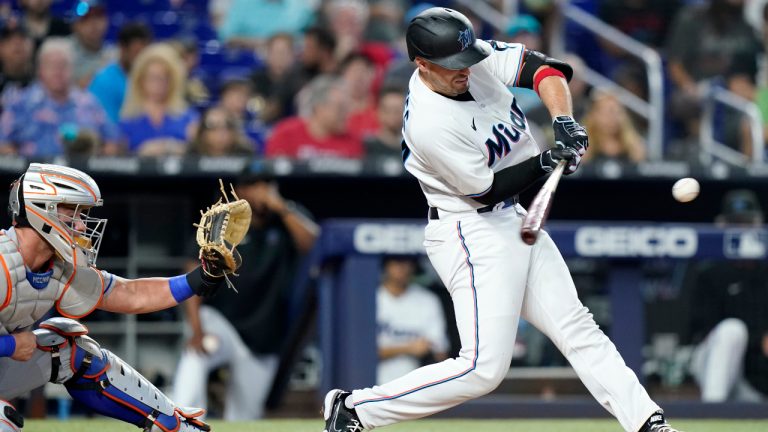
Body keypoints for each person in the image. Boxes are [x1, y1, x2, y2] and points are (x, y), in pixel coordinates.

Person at [322, 8, 680, 432]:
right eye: (452, 65)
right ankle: (355, 410)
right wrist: (548, 159)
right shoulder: (429, 123)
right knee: (482, 368)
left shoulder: (472, 60)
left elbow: (544, 71)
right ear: (422, 64)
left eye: (467, 59)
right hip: (468, 230)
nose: (465, 70)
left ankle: (646, 422)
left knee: (576, 326)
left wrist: (563, 121)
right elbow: (486, 189)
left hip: (510, 219)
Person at [0, 162, 233, 431]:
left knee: (69, 348)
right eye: (73, 212)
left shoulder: (57, 266)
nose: (81, 225)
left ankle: (173, 425)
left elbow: (129, 293)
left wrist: (199, 279)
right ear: (42, 209)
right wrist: (11, 346)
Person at [173, 170, 319, 420]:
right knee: (196, 356)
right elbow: (192, 276)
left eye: (266, 184)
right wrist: (196, 329)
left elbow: (315, 245)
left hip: (263, 338)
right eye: (253, 185)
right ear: (239, 192)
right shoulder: (220, 225)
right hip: (222, 323)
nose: (261, 191)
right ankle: (180, 419)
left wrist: (281, 207)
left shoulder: (284, 222)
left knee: (245, 417)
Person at [687, 189, 768, 402]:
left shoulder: (765, 272)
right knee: (733, 331)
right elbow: (702, 329)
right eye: (735, 224)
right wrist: (759, 338)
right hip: (715, 364)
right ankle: (711, 413)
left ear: (758, 225)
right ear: (722, 227)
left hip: (755, 377)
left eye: (747, 224)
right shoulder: (710, 272)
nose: (741, 230)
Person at [0, 37, 121, 156]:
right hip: (33, 173)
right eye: (52, 65)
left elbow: (113, 142)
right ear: (41, 70)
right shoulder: (20, 104)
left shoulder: (90, 103)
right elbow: (3, 143)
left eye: (63, 65)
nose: (58, 71)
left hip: (80, 173)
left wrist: (101, 156)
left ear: (72, 69)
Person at [376, 255, 448, 385]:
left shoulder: (427, 300)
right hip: (372, 385)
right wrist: (408, 348)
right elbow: (361, 353)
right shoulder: (371, 297)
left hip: (415, 387)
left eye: (407, 262)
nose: (402, 267)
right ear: (386, 264)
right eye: (397, 261)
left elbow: (440, 353)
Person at [119, 42, 199, 156]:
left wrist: (170, 147)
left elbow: (197, 151)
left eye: (165, 77)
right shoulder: (127, 119)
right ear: (141, 80)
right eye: (153, 77)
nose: (159, 84)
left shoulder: (189, 118)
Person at [265, 75, 362, 160]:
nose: (346, 114)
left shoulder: (353, 141)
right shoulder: (286, 134)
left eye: (347, 109)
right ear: (318, 107)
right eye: (340, 108)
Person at [89, 22, 153, 124]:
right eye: (136, 52)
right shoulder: (105, 81)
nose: (141, 59)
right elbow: (108, 126)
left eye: (144, 53)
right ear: (123, 49)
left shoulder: (151, 79)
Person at [581, 91, 646, 165]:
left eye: (616, 112)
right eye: (607, 113)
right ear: (593, 115)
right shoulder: (583, 147)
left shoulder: (634, 147)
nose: (612, 118)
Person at [67, 0, 113, 89]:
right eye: (86, 18)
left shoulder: (114, 55)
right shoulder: (63, 52)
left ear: (106, 21)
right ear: (75, 25)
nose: (93, 24)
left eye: (98, 16)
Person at [188, 106, 254, 157]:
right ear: (202, 133)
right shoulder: (191, 155)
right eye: (212, 126)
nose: (220, 133)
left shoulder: (246, 156)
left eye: (227, 126)